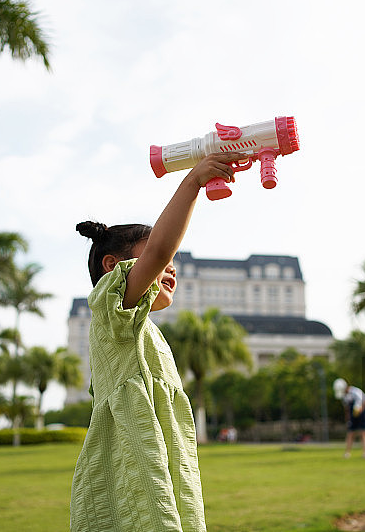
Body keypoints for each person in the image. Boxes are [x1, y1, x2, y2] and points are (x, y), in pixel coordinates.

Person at [70, 152, 247, 532]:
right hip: (135, 464)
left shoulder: (142, 329)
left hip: (166, 463)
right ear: (113, 267)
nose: (171, 267)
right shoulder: (110, 307)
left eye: (173, 261)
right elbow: (161, 247)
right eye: (160, 259)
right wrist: (193, 181)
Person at [333, 378, 365, 458]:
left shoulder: (355, 392)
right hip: (352, 416)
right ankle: (347, 453)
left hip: (361, 414)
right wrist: (348, 419)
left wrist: (360, 410)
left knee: (363, 432)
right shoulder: (344, 396)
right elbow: (346, 408)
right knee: (350, 433)